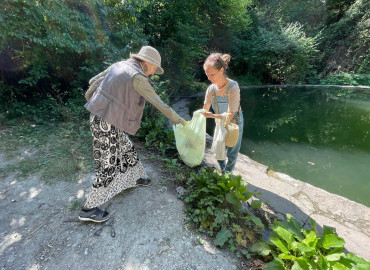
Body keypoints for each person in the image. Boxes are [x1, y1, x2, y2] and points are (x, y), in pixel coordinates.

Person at [79, 46, 186, 222]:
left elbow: (93, 81)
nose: (153, 73)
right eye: (153, 69)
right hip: (105, 121)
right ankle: (88, 209)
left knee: (126, 148)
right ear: (146, 62)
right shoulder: (137, 78)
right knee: (109, 163)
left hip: (105, 116)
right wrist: (182, 122)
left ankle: (134, 178)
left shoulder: (120, 64)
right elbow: (160, 104)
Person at [201, 53, 244, 174]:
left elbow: (230, 114)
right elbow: (205, 107)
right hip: (220, 121)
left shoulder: (233, 87)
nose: (209, 78)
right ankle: (221, 168)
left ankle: (228, 173)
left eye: (212, 74)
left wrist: (211, 116)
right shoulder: (211, 89)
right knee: (218, 148)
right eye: (207, 75)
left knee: (232, 150)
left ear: (221, 70)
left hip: (234, 122)